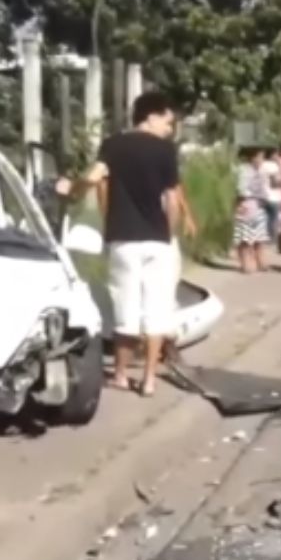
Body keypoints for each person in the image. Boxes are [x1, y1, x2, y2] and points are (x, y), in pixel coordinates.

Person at [67, 91, 181, 398]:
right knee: (156, 311)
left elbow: (94, 177)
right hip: (158, 240)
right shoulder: (166, 150)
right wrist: (168, 234)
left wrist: (72, 190)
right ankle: (149, 381)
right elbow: (172, 199)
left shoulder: (113, 144)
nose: (169, 129)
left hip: (123, 239)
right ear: (151, 116)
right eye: (167, 122)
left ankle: (120, 375)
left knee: (125, 309)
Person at [234, 147, 271, 273]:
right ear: (253, 157)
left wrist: (264, 198)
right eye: (260, 157)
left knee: (259, 237)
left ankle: (261, 262)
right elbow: (241, 189)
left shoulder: (262, 171)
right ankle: (246, 264)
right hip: (246, 204)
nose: (262, 160)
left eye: (263, 157)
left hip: (259, 205)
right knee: (245, 238)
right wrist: (241, 203)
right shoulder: (243, 170)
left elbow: (265, 188)